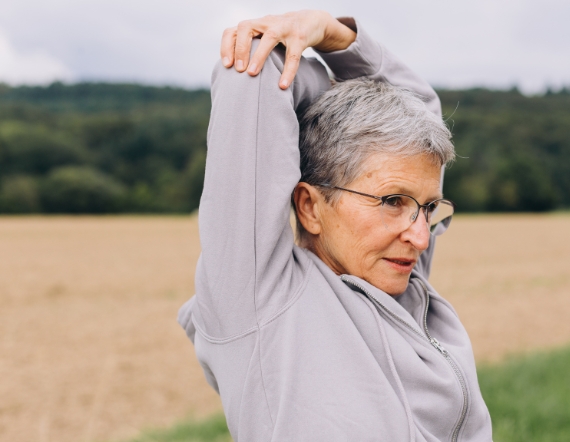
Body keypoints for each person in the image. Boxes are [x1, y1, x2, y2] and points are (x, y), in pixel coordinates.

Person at [178, 10, 492, 441]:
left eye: (429, 207)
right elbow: (255, 66)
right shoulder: (259, 300)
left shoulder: (398, 280)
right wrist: (339, 97)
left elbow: (418, 108)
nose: (420, 237)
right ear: (309, 206)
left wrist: (337, 36)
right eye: (393, 202)